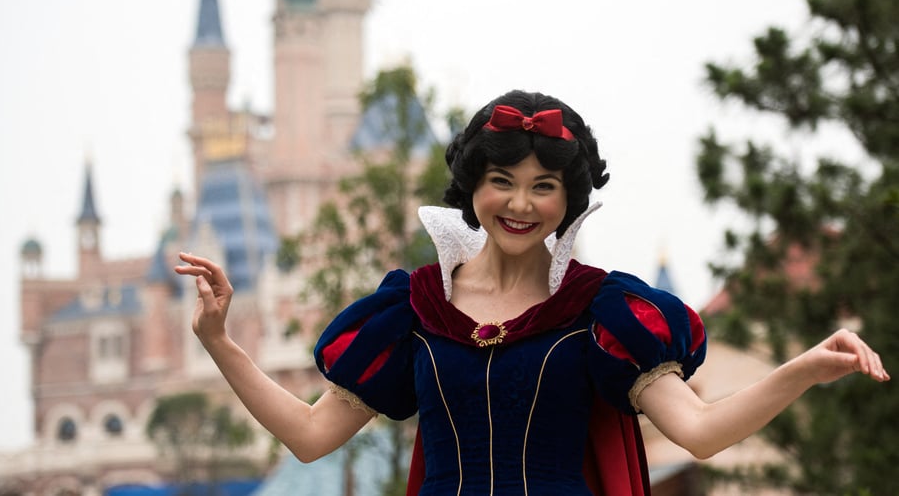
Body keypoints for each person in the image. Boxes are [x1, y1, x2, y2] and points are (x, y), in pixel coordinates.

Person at [176, 90, 889, 496]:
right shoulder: (415, 308)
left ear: (568, 200)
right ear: (472, 189)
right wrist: (219, 342)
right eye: (502, 182)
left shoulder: (601, 311)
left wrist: (804, 367)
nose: (520, 204)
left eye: (543, 186)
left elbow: (699, 433)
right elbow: (308, 437)